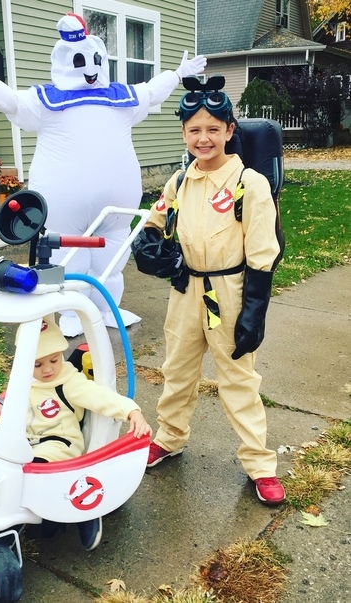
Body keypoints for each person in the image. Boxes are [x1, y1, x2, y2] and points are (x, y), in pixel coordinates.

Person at [0, 13, 206, 337]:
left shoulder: (118, 97)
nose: (90, 67)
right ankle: (70, 311)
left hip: (117, 211)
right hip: (65, 212)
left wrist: (178, 73)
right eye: (81, 60)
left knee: (112, 259)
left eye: (95, 59)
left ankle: (106, 307)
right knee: (71, 260)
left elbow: (152, 92)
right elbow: (11, 103)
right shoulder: (47, 101)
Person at [139, 81, 286, 506]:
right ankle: (169, 437)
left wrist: (254, 310)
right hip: (187, 289)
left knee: (237, 377)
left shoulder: (248, 183)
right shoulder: (180, 180)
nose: (203, 138)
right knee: (178, 368)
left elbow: (262, 252)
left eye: (213, 129)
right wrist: (150, 246)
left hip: (228, 293)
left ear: (229, 130)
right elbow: (156, 220)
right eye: (194, 130)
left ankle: (260, 463)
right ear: (184, 135)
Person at [0, 314, 152, 551]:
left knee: (34, 470)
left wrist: (132, 412)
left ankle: (79, 513)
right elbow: (10, 408)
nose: (47, 369)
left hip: (59, 444)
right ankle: (7, 512)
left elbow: (102, 397)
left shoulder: (69, 382)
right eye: (37, 364)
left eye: (54, 360)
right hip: (28, 441)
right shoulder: (24, 382)